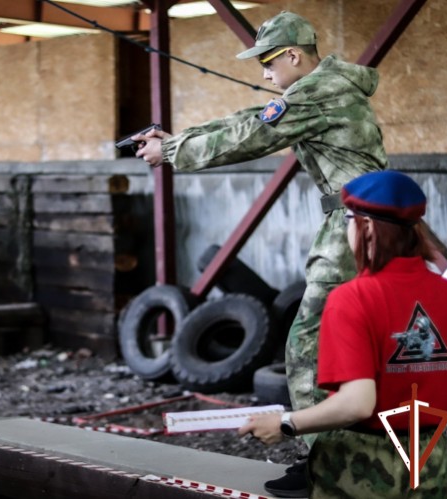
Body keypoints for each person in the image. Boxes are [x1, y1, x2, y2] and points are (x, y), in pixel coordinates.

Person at [133, 10, 388, 497]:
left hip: (357, 227)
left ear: (293, 55)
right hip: (365, 224)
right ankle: (342, 462)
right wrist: (177, 140)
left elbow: (253, 135)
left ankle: (324, 469)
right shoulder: (322, 88)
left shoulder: (320, 91)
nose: (264, 73)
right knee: (342, 347)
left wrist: (170, 156)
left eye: (268, 62)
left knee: (308, 349)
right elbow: (251, 118)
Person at [238, 170, 447, 498]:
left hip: (363, 468)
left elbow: (357, 404)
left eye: (348, 220)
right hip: (431, 461)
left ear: (367, 228)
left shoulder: (352, 298)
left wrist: (286, 422)